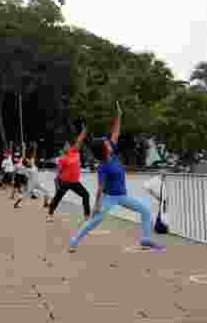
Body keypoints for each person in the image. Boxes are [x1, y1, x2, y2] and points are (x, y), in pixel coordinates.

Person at [69, 101, 164, 252]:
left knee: (145, 210)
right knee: (95, 221)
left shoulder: (111, 152)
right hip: (109, 198)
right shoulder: (103, 167)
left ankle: (145, 239)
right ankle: (74, 241)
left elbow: (115, 133)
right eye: (106, 143)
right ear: (103, 150)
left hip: (122, 196)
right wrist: (96, 207)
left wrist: (119, 116)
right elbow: (100, 189)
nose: (109, 141)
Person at [47, 122, 91, 223]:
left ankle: (87, 216)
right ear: (63, 149)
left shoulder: (74, 151)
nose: (67, 146)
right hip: (65, 182)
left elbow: (80, 140)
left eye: (68, 144)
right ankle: (50, 214)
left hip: (75, 182)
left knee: (86, 195)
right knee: (57, 198)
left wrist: (84, 130)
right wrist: (57, 182)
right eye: (65, 146)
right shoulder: (62, 158)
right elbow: (58, 172)